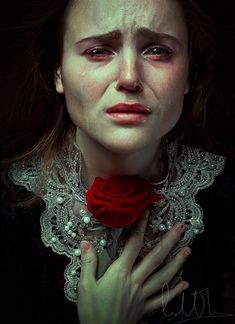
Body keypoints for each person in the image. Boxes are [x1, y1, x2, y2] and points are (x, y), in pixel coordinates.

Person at [1, 0, 235, 323]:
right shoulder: (8, 208)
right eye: (99, 51)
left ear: (189, 76)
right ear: (58, 72)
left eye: (158, 51)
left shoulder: (229, 197)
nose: (129, 78)